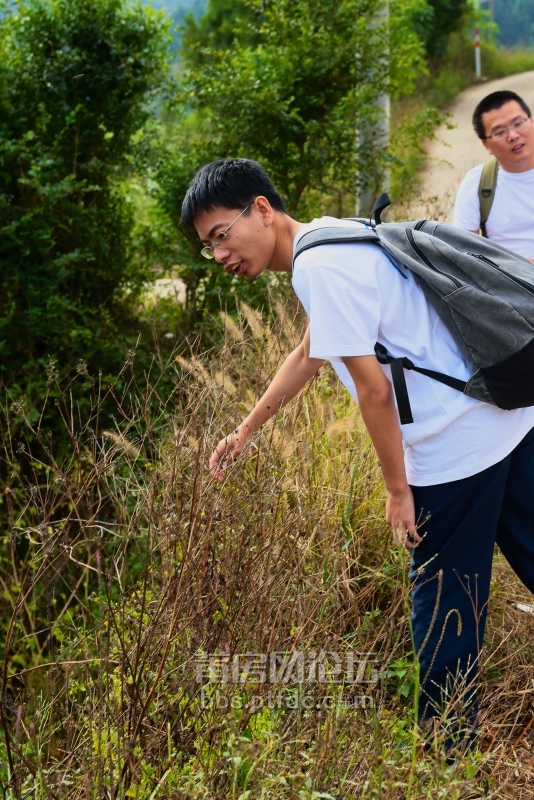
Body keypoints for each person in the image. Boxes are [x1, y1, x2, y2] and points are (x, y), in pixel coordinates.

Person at [181, 158, 534, 751]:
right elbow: (309, 350)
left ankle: (450, 757)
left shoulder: (319, 269)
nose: (219, 255)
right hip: (505, 419)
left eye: (221, 235)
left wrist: (399, 491)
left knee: (444, 611)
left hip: (452, 453)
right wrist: (246, 431)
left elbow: (373, 389)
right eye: (208, 246)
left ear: (262, 210)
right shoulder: (330, 234)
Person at [453, 90, 534, 261]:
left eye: (518, 123)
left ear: (532, 121)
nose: (512, 136)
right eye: (499, 132)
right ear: (486, 145)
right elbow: (462, 256)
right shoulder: (477, 183)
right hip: (504, 284)